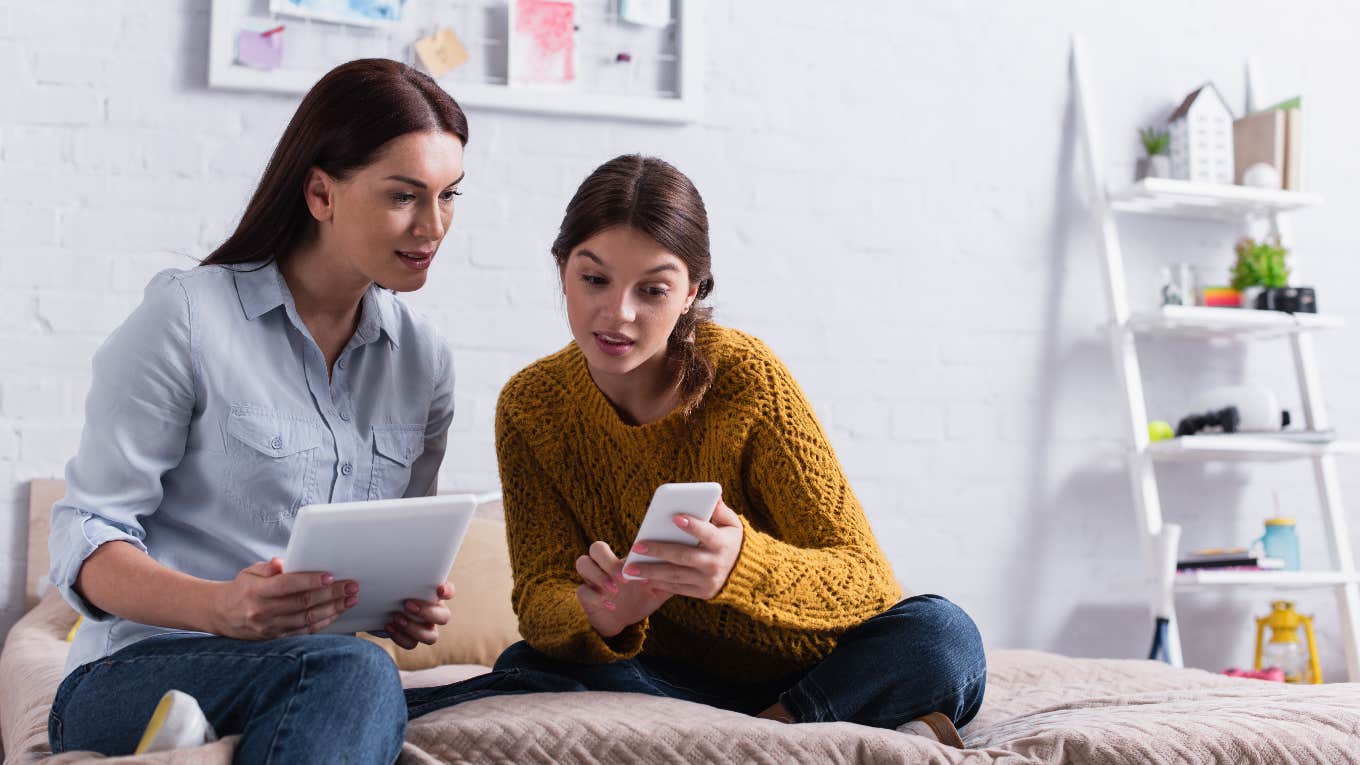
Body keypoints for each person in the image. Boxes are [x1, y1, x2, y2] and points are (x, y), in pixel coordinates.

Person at [47, 58, 466, 763]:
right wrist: (220, 606)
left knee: (369, 671)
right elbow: (83, 538)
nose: (433, 226)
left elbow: (392, 549)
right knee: (356, 672)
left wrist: (404, 604)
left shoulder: (423, 359)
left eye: (450, 195)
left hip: (310, 673)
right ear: (320, 193)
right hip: (133, 672)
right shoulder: (187, 314)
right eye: (404, 196)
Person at [489, 154, 987, 746]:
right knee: (522, 665)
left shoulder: (746, 379)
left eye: (652, 290)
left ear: (691, 293)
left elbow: (868, 584)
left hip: (812, 669)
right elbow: (540, 595)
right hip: (667, 677)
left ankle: (771, 730)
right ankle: (808, 734)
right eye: (594, 279)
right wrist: (602, 614)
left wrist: (740, 565)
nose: (617, 313)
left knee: (943, 635)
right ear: (561, 269)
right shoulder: (529, 405)